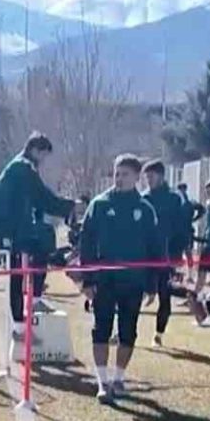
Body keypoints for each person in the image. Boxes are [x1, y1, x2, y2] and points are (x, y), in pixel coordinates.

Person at [79, 155, 162, 404]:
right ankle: (102, 382)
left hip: (133, 281)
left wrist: (152, 285)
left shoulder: (145, 209)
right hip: (104, 280)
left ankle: (118, 378)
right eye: (117, 173)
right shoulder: (99, 204)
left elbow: (155, 248)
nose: (119, 178)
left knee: (128, 332)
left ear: (136, 177)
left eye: (125, 174)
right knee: (101, 329)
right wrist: (87, 280)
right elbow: (87, 243)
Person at [0, 133, 76, 329]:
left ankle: (33, 301)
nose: (44, 161)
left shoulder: (21, 168)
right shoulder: (23, 168)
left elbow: (37, 201)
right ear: (35, 150)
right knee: (14, 277)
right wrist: (70, 206)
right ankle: (19, 323)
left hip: (12, 229)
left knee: (42, 243)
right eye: (43, 155)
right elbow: (43, 197)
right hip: (3, 231)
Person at [140, 160, 192, 348]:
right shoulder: (143, 198)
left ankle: (158, 334)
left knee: (165, 294)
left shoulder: (174, 199)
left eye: (151, 176)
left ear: (161, 176)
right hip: (145, 255)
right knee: (134, 293)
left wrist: (177, 253)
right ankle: (123, 331)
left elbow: (182, 228)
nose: (148, 180)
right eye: (146, 177)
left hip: (166, 256)